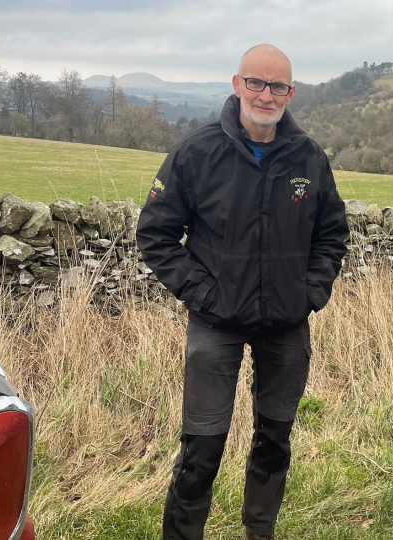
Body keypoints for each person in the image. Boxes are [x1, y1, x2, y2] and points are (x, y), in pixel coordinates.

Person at [136, 44, 349, 540]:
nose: (266, 95)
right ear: (237, 85)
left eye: (277, 87)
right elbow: (156, 234)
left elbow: (332, 233)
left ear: (290, 94)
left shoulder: (309, 158)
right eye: (256, 83)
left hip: (286, 326)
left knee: (274, 439)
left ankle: (259, 531)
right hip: (215, 325)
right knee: (201, 448)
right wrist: (202, 294)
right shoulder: (196, 152)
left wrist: (310, 291)